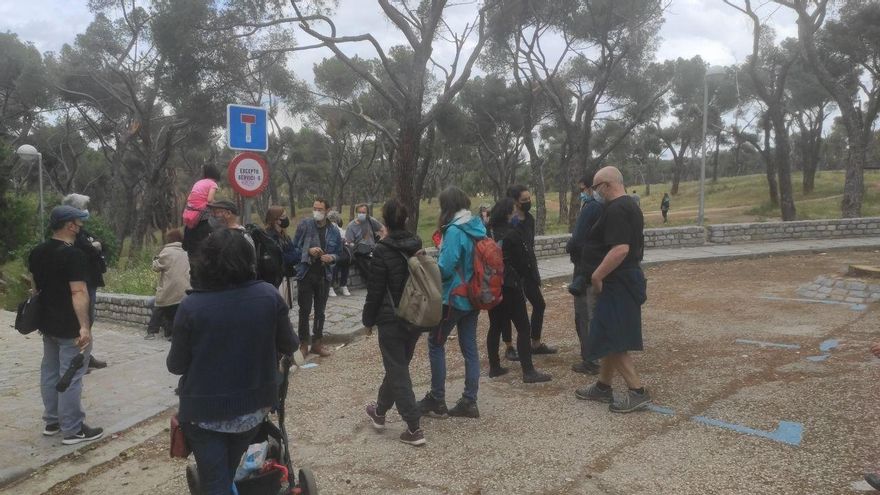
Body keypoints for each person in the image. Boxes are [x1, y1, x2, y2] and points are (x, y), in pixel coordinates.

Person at [168, 229, 297, 495]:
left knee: (216, 480)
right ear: (249, 261)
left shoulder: (191, 306)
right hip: (252, 410)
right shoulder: (268, 295)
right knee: (226, 470)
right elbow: (290, 345)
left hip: (204, 413)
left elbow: (176, 365)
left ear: (205, 262)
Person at [575, 166, 651, 413]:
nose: (595, 192)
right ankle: (603, 386)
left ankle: (637, 391)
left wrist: (597, 275)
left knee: (612, 337)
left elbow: (620, 249)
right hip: (623, 280)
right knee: (607, 334)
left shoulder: (617, 209)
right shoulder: (629, 205)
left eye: (596, 187)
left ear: (606, 185)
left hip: (617, 281)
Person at [29, 206, 104, 445]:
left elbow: (35, 288)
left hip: (47, 323)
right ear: (70, 225)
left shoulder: (37, 252)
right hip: (70, 326)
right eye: (79, 223)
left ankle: (52, 421)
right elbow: (78, 291)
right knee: (71, 375)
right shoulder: (73, 255)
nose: (81, 227)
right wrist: (84, 327)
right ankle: (73, 429)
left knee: (50, 372)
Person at [362, 199, 427, 446]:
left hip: (391, 317)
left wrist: (368, 320)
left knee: (397, 369)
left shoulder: (381, 250)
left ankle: (413, 427)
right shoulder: (416, 244)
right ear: (405, 220)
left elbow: (375, 290)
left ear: (385, 222)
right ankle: (379, 412)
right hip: (415, 315)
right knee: (397, 365)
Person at [417, 186, 484, 419]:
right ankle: (470, 401)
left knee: (436, 344)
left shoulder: (454, 230)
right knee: (470, 348)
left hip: (453, 298)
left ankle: (437, 399)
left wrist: (427, 262)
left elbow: (445, 269)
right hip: (474, 296)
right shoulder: (477, 226)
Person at [486, 198, 552, 383]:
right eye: (514, 210)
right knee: (523, 327)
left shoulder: (489, 233)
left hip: (493, 285)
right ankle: (528, 371)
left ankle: (494, 367)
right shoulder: (512, 235)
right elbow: (523, 262)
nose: (516, 213)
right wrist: (526, 276)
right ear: (507, 213)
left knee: (495, 326)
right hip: (511, 285)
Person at [507, 185, 556, 356]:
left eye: (529, 198)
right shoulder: (511, 222)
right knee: (511, 312)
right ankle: (509, 347)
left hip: (529, 271)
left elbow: (530, 245)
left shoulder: (530, 219)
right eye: (524, 200)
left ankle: (535, 343)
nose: (528, 202)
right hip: (513, 273)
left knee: (539, 305)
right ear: (515, 201)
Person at [61, 193, 108, 370]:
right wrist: (94, 246)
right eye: (83, 208)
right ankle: (79, 359)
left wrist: (95, 246)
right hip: (82, 281)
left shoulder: (82, 231)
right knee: (82, 321)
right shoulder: (72, 234)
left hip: (91, 279)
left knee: (89, 320)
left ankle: (86, 356)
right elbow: (88, 248)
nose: (85, 212)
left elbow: (101, 244)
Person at [290, 198, 342, 357]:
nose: (317, 212)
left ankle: (317, 343)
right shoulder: (305, 225)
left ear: (327, 211)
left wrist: (331, 258)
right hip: (306, 273)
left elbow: (339, 253)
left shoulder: (334, 230)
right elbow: (294, 248)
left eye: (320, 209)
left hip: (324, 275)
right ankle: (303, 344)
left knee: (320, 311)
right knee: (304, 310)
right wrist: (308, 251)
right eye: (315, 208)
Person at [566, 174, 603, 375]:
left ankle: (590, 360)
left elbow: (577, 238)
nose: (581, 193)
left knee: (584, 315)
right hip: (600, 267)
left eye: (583, 189)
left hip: (584, 268)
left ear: (591, 188)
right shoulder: (606, 207)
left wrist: (569, 247)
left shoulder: (591, 208)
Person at [145, 229, 190, 340]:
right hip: (184, 289)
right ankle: (170, 334)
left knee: (159, 306)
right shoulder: (186, 251)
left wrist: (155, 259)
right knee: (174, 312)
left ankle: (151, 332)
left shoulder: (166, 251)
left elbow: (156, 267)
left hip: (169, 287)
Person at [182, 165, 221, 256]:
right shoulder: (213, 184)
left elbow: (191, 196)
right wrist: (218, 205)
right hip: (203, 214)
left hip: (190, 211)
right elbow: (210, 200)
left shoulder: (198, 182)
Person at [250, 206, 291, 288]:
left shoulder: (285, 236)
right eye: (283, 216)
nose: (286, 218)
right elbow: (276, 258)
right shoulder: (267, 238)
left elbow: (295, 254)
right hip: (272, 280)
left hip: (283, 277)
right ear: (276, 219)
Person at [345, 203, 383, 284]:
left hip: (373, 249)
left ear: (367, 213)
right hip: (360, 253)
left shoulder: (370, 220)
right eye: (359, 212)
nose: (361, 214)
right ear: (356, 213)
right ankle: (372, 282)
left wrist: (381, 242)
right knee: (363, 262)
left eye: (363, 212)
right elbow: (348, 242)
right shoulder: (351, 226)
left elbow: (384, 230)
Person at [327, 210, 350, 297]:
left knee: (345, 262)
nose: (333, 223)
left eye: (334, 220)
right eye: (331, 220)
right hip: (329, 254)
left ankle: (343, 285)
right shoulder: (326, 230)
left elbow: (346, 242)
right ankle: (330, 287)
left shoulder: (341, 231)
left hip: (340, 253)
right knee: (334, 264)